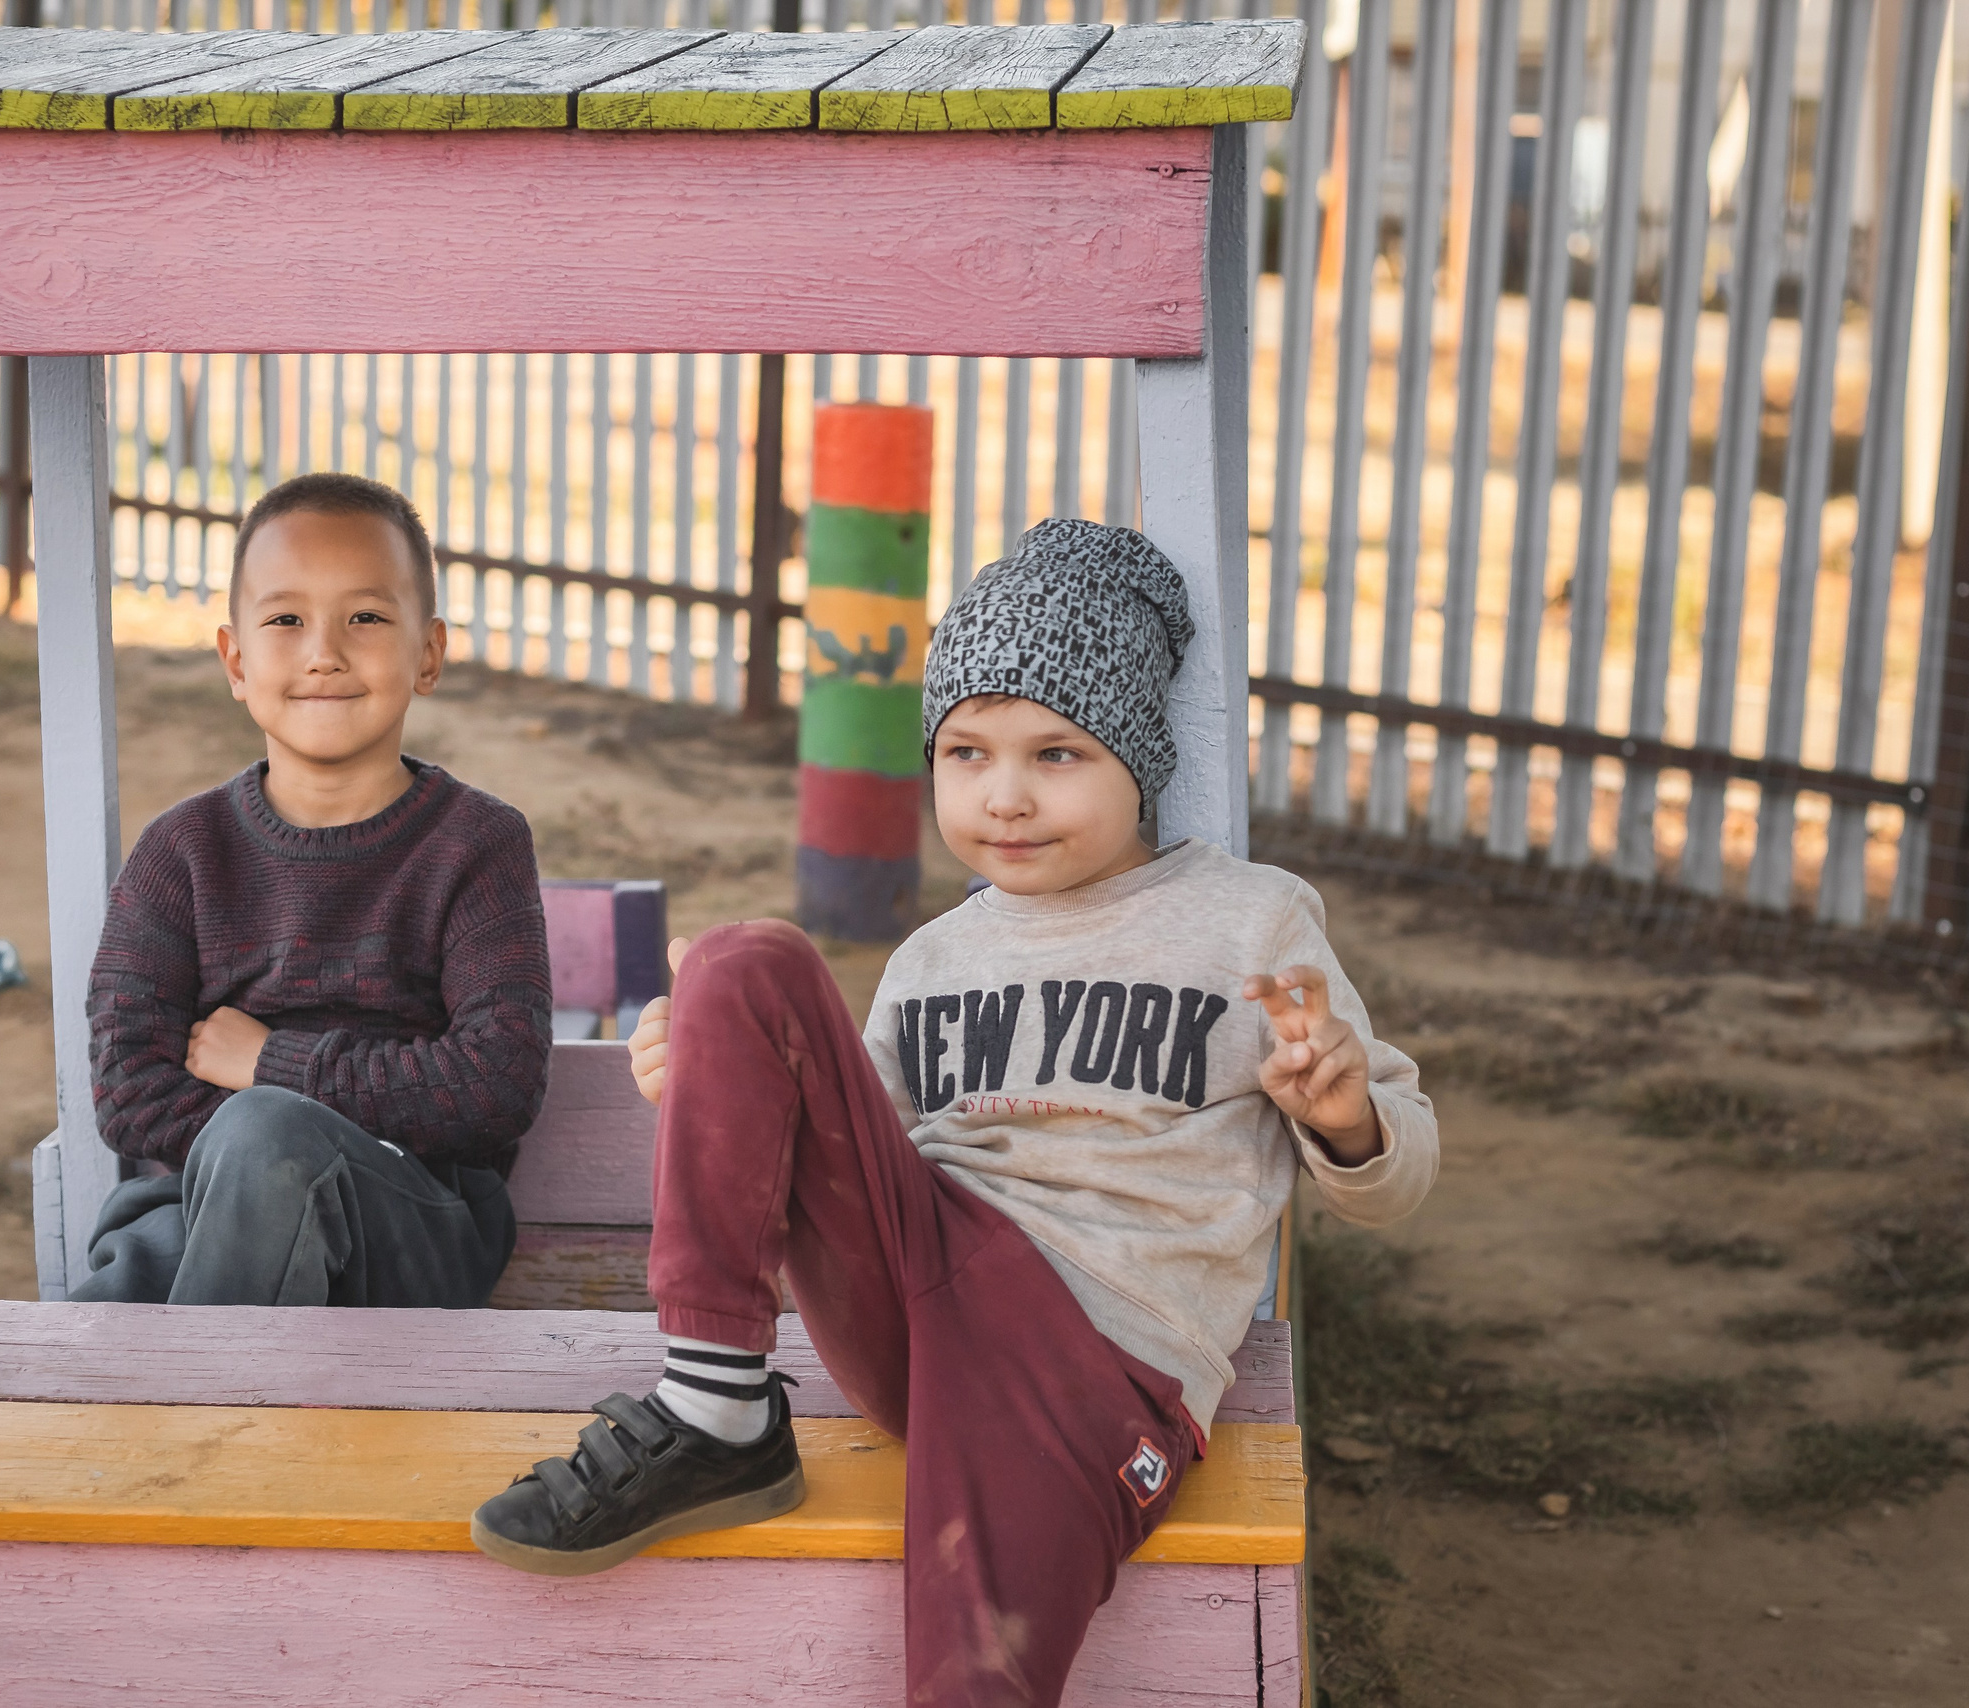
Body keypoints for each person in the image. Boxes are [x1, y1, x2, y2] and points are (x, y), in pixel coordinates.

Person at [469, 518, 1438, 1706]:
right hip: (919, 1304)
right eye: (967, 752)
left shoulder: (1250, 924)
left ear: (1136, 754)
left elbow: (1395, 1173)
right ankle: (716, 1405)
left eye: (1058, 754)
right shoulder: (935, 955)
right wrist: (723, 1085)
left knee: (975, 1678)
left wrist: (1345, 1117)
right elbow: (850, 1170)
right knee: (739, 960)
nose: (1006, 797)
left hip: (1093, 1355)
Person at [68, 472, 552, 1309]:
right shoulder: (181, 852)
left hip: (412, 1231)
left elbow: (495, 1083)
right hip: (196, 1214)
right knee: (138, 1272)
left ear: (428, 653)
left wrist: (269, 1067)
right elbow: (128, 1088)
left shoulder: (477, 845)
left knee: (264, 1133)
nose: (323, 650)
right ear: (236, 659)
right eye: (286, 619)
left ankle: (194, 1433)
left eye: (365, 617)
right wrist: (262, 1161)